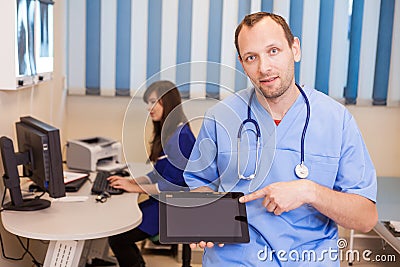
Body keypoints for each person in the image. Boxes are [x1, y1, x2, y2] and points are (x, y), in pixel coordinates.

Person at [183, 12, 378, 266]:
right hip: (235, 259)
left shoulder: (336, 120)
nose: (264, 67)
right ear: (243, 63)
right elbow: (199, 184)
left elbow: (365, 218)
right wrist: (204, 218)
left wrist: (310, 192)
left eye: (273, 51)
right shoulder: (220, 117)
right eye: (252, 57)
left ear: (294, 49)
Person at [107, 80, 195, 267]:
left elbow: (173, 185)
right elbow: (158, 174)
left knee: (118, 238)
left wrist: (135, 188)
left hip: (175, 207)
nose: (149, 108)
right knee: (118, 230)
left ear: (167, 102)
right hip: (164, 202)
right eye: (148, 102)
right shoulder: (170, 131)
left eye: (154, 102)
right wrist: (130, 181)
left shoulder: (181, 137)